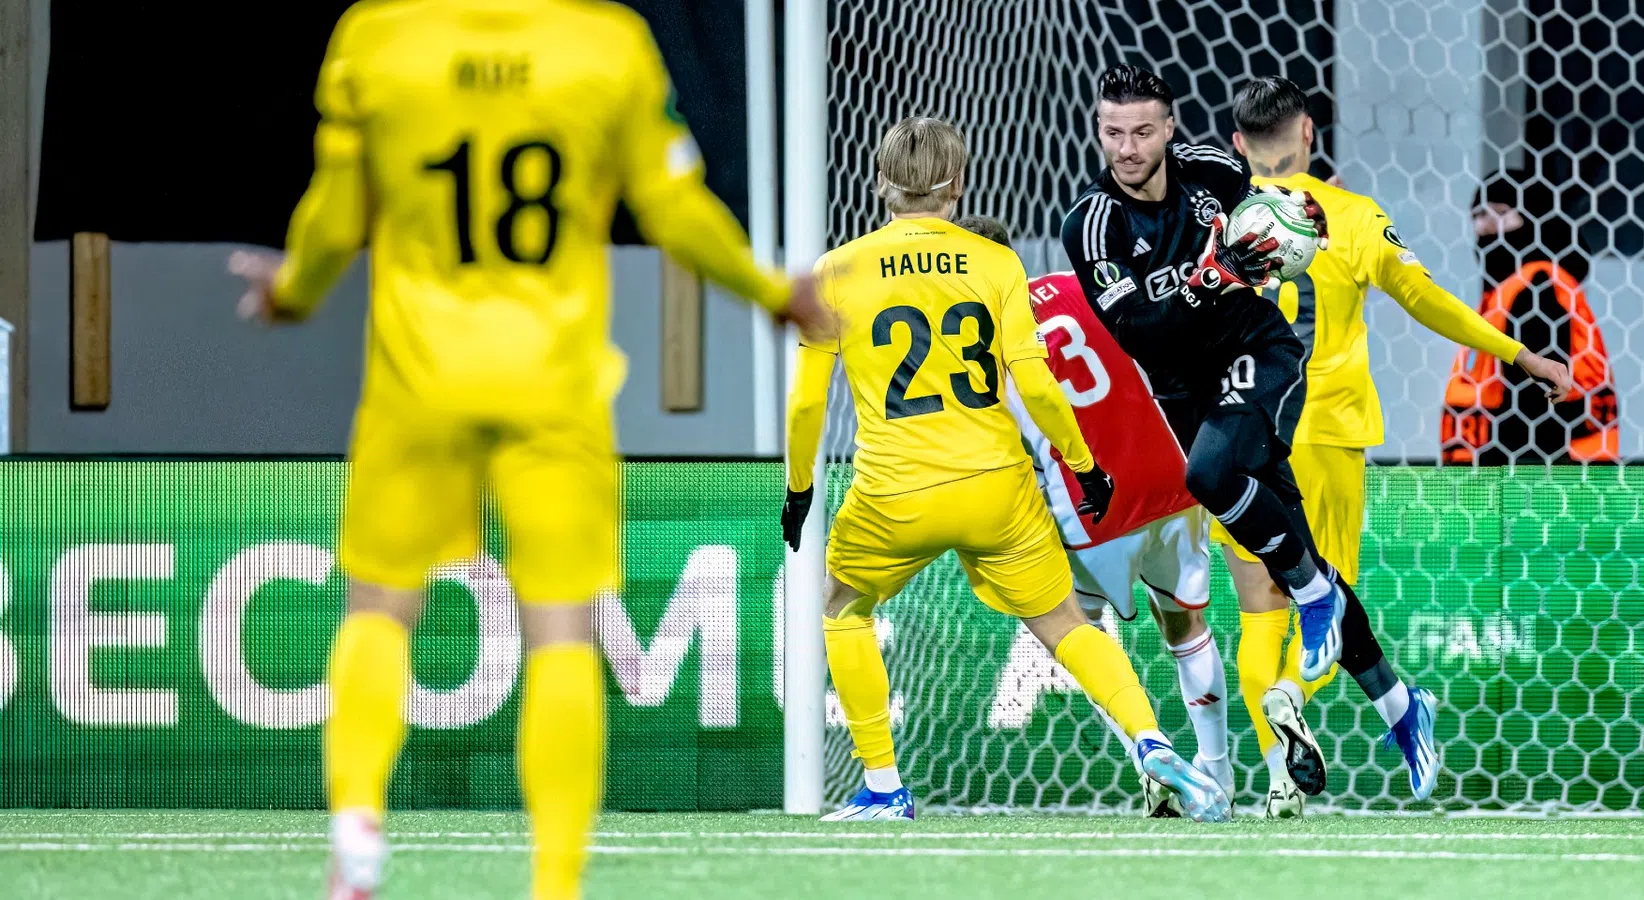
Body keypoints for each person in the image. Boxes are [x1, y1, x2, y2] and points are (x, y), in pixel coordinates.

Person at [226, 3, 830, 897]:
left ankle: (357, 829)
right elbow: (673, 211)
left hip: (417, 384)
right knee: (559, 640)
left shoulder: (378, 38)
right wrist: (769, 289)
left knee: (378, 614)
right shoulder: (607, 44)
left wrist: (295, 291)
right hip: (555, 390)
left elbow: (334, 211)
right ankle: (553, 883)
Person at [782, 117, 1229, 824]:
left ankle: (883, 786)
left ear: (877, 183)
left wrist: (800, 486)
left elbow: (808, 403)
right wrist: (1084, 468)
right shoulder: (995, 264)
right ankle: (1149, 741)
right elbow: (1039, 384)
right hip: (998, 487)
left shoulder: (836, 271)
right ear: (958, 185)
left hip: (894, 492)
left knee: (840, 607)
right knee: (1065, 625)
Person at [1056, 63, 1435, 812]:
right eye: (1111, 132)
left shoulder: (1215, 171)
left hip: (1259, 355)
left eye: (1141, 131)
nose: (1126, 147)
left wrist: (1296, 228)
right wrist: (1213, 272)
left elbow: (1276, 226)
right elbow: (1136, 328)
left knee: (1210, 480)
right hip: (1182, 392)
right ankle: (1398, 703)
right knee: (1289, 538)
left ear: (1169, 128)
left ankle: (1316, 599)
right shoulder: (1090, 224)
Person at [1224, 75, 1576, 816]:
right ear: (1310, 135)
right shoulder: (1352, 216)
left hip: (1237, 433)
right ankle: (1299, 694)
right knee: (1329, 589)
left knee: (1259, 609)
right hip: (1323, 429)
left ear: (1235, 146)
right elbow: (1428, 301)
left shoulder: (1215, 221)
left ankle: (1279, 774)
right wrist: (1522, 357)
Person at [953, 215, 1233, 818]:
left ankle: (1155, 767)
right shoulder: (1087, 284)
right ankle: (1219, 777)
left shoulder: (981, 337)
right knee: (1185, 626)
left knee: (1082, 633)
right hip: (1171, 472)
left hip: (1092, 503)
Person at [1444, 168, 1618, 464]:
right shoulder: (1509, 290)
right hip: (1534, 473)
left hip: (1534, 478)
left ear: (1532, 217)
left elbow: (1539, 392)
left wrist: (1515, 470)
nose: (1482, 226)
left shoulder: (1539, 287)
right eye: (1476, 216)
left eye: (1498, 212)